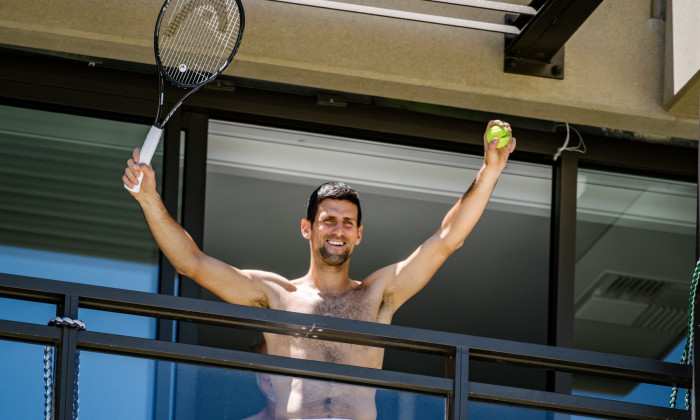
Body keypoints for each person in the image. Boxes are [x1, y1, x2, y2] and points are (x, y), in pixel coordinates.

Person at [122, 120, 516, 419]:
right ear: (307, 228)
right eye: (328, 220)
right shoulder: (275, 296)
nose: (338, 230)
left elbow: (447, 240)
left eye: (347, 223)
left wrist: (490, 172)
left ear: (359, 235)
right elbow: (191, 264)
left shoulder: (377, 295)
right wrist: (148, 199)